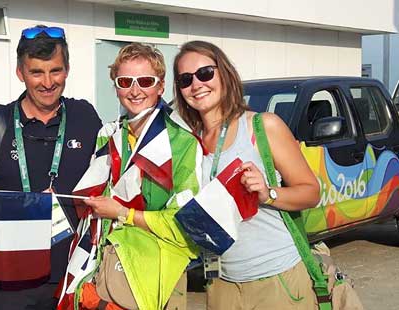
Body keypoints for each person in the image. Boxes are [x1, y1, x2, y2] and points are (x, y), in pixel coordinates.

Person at [173, 40, 321, 309]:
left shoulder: (262, 126)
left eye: (205, 73)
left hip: (276, 278)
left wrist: (268, 193)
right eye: (185, 79)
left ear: (224, 74)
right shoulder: (187, 142)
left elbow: (311, 192)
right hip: (221, 284)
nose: (196, 85)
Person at [0, 25, 102, 309]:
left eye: (55, 71)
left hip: (71, 278)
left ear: (67, 69)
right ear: (20, 73)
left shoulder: (85, 118)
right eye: (36, 72)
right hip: (7, 283)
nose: (47, 82)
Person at [61, 43, 203, 310]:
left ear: (161, 86)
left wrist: (122, 213)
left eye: (145, 81)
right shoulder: (108, 134)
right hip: (106, 270)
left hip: (155, 274)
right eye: (125, 81)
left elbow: (186, 225)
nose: (135, 91)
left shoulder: (183, 142)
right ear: (115, 87)